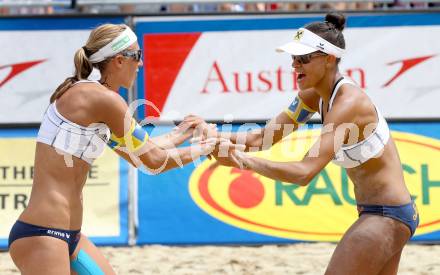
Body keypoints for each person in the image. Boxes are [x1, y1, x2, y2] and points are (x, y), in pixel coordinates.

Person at [191, 12, 419, 275]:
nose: (294, 65)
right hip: (383, 213)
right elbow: (262, 138)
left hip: (385, 215)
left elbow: (304, 173)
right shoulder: (313, 96)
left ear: (330, 59)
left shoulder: (349, 103)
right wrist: (211, 134)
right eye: (293, 58)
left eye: (303, 59)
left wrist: (242, 161)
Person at [8, 23, 235, 274]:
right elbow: (153, 161)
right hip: (43, 233)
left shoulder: (93, 96)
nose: (140, 64)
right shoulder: (102, 99)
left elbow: (141, 152)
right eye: (137, 56)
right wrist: (205, 147)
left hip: (68, 235)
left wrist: (185, 131)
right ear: (118, 60)